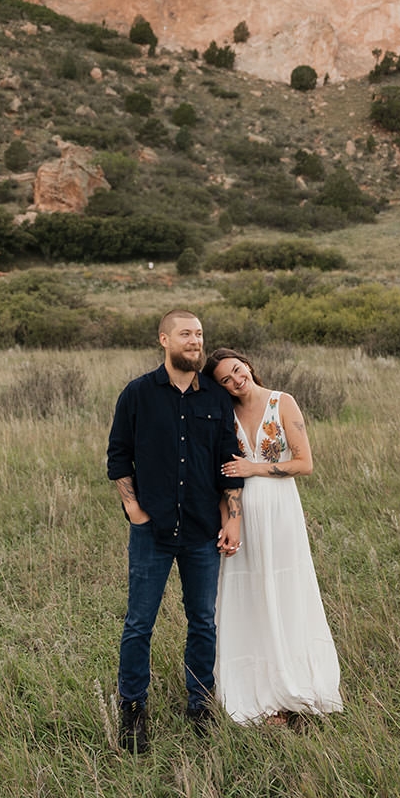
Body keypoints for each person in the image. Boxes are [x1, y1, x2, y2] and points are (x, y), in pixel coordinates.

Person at [107, 310, 244, 754]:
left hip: (203, 531)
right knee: (139, 624)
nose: (195, 341)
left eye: (200, 334)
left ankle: (200, 707)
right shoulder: (138, 394)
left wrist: (232, 515)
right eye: (186, 334)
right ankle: (132, 711)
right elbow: (118, 455)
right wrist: (134, 509)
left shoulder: (216, 400)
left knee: (202, 622)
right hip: (152, 532)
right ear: (164, 339)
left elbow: (229, 462)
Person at [204, 346, 342, 725]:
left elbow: (304, 463)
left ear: (247, 364)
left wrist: (255, 468)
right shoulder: (223, 413)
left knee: (284, 590)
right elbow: (221, 474)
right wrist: (227, 518)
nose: (235, 380)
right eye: (225, 380)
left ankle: (293, 682)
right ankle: (254, 688)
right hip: (240, 516)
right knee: (245, 594)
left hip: (280, 512)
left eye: (237, 370)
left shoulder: (282, 402)